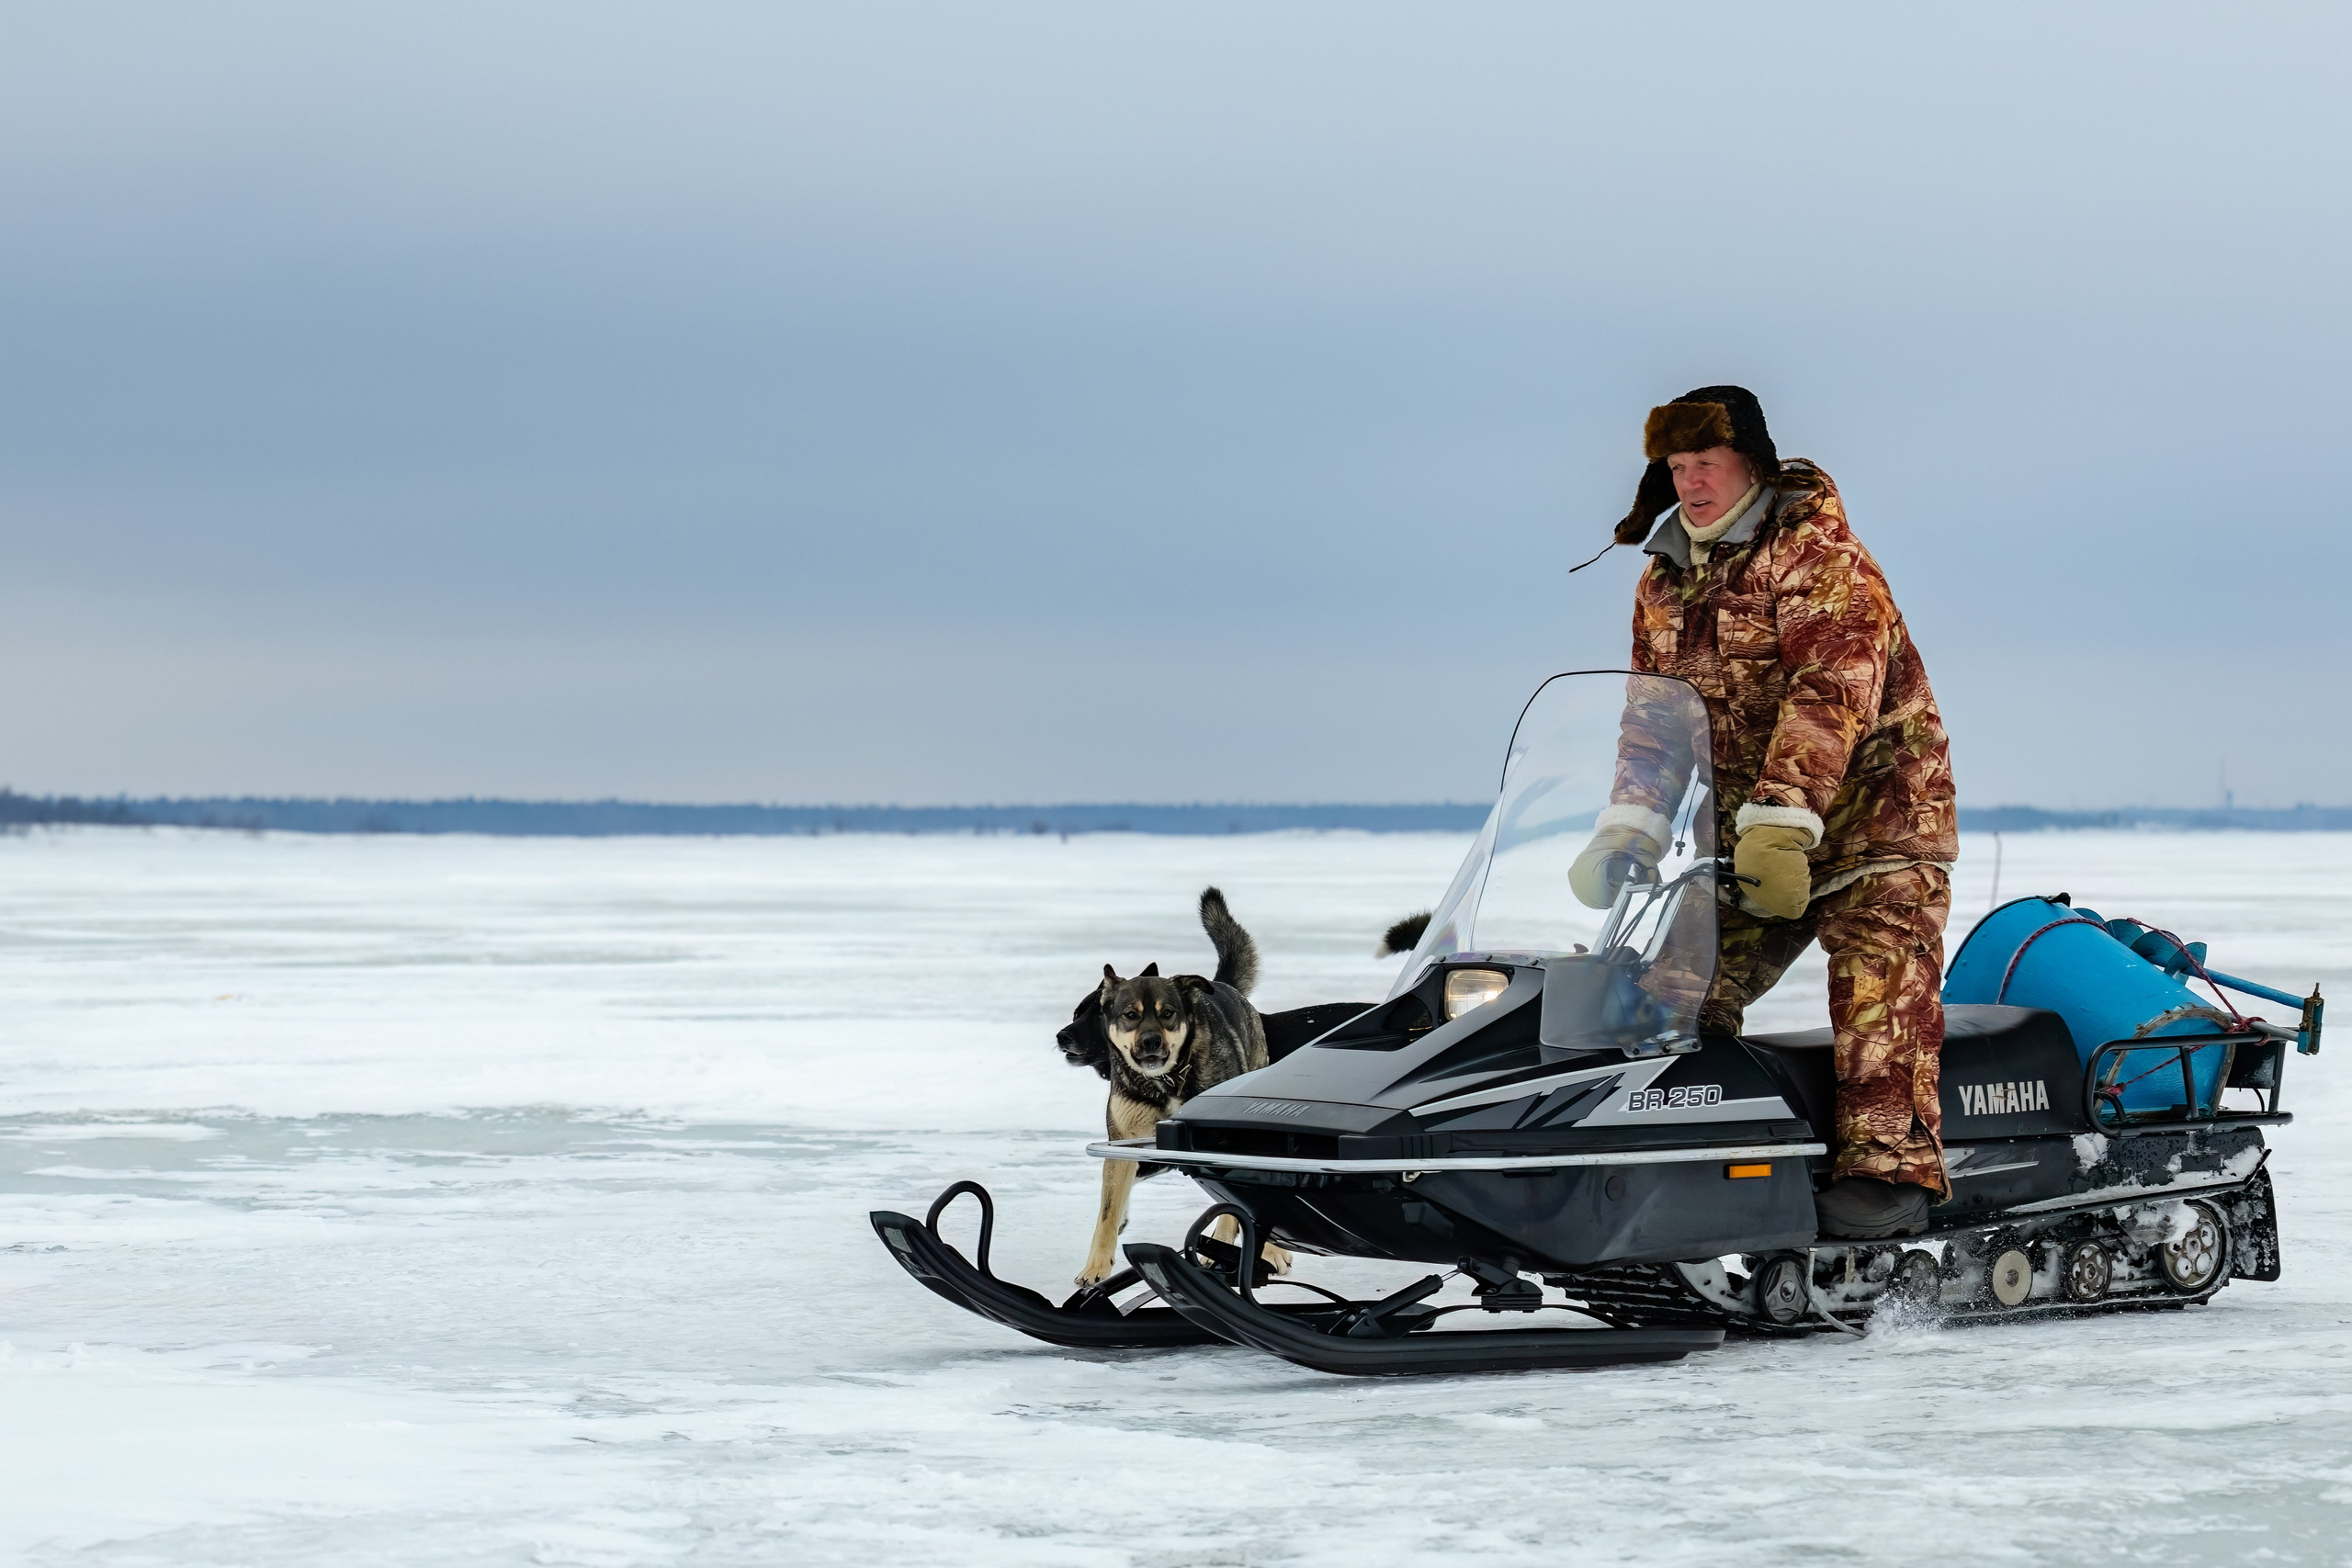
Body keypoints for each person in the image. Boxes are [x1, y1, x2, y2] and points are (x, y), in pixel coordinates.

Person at [1568, 386, 1958, 1239]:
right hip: (1752, 840)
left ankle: (1889, 1175)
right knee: (1669, 988)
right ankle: (1676, 1161)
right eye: (1677, 466)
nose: (1692, 482)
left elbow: (1830, 698)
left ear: (1751, 462)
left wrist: (1784, 820)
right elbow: (1653, 724)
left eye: (1707, 462)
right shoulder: (1662, 585)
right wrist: (1630, 824)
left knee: (1876, 988)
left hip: (1876, 826)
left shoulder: (1822, 560)